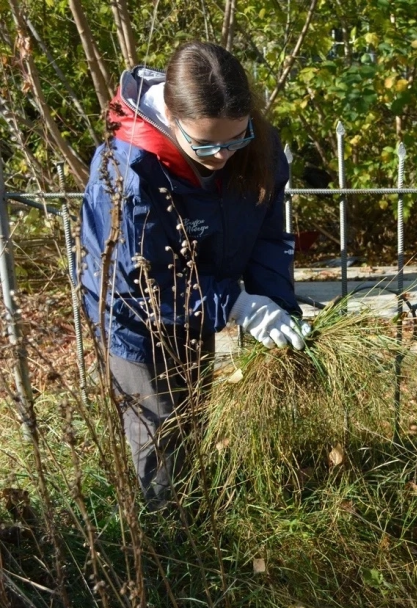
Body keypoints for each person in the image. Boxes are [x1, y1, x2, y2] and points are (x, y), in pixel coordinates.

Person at [80, 41, 308, 511]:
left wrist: (278, 306)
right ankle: (167, 544)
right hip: (134, 321)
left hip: (200, 304)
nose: (222, 155)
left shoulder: (257, 147)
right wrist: (237, 304)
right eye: (205, 145)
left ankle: (199, 525)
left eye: (235, 139)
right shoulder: (128, 173)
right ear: (170, 116)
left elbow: (265, 234)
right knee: (161, 442)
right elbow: (138, 283)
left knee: (192, 421)